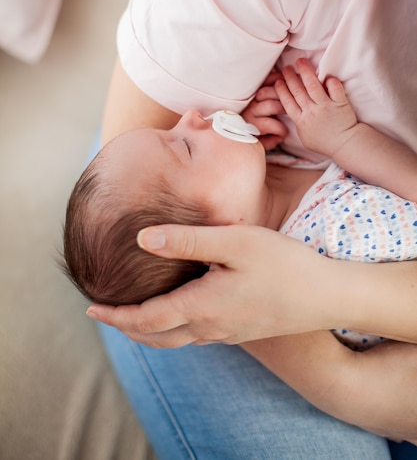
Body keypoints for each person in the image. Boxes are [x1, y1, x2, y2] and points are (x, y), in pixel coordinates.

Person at [84, 0, 417, 456]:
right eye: (183, 143)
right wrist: (322, 144)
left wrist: (335, 335)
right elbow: (144, 132)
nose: (193, 117)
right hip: (159, 224)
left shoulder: (323, 233)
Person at [65, 58, 417, 353]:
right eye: (185, 146)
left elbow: (227, 185)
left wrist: (242, 150)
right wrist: (346, 139)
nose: (189, 117)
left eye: (169, 130)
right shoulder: (337, 236)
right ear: (216, 240)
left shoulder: (262, 194)